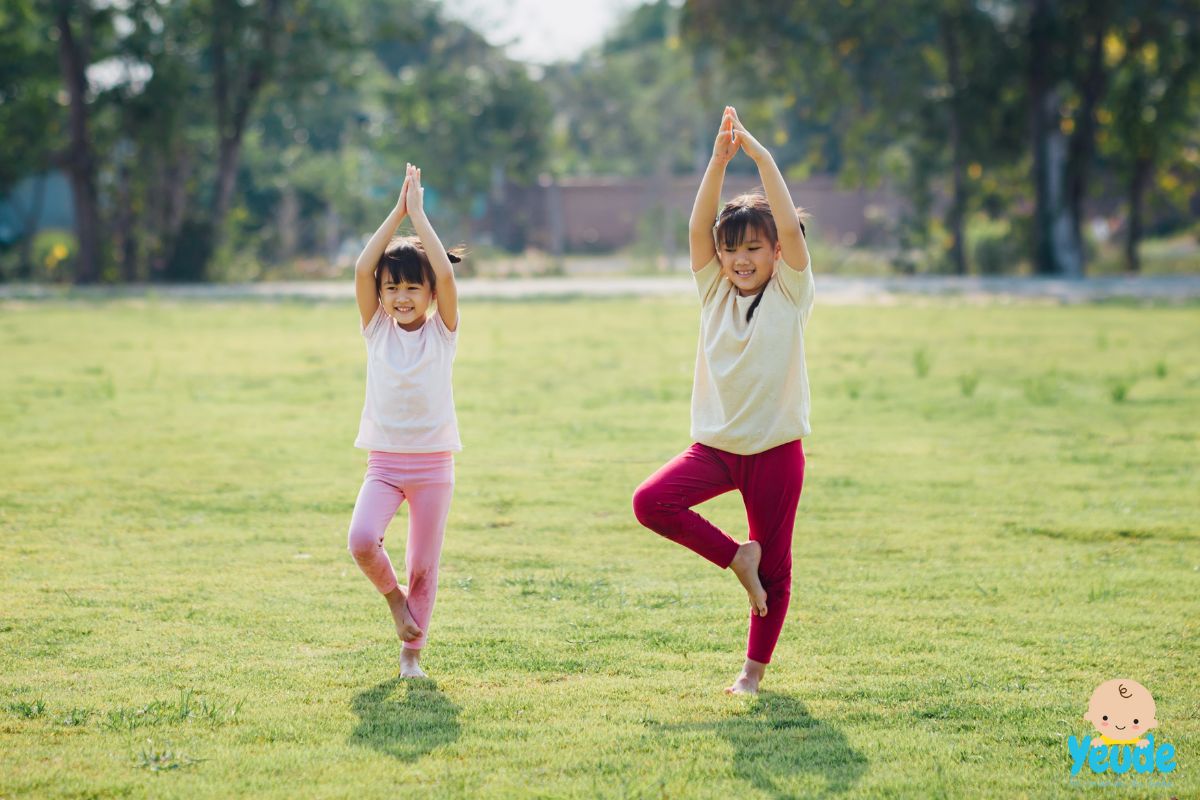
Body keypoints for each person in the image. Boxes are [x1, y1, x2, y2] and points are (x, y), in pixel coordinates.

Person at [632, 106, 814, 695]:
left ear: (776, 254)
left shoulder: (790, 292)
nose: (741, 258)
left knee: (778, 570)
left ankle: (751, 674)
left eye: (754, 249)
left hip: (775, 452)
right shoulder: (713, 291)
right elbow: (696, 230)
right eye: (731, 248)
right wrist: (717, 161)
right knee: (650, 502)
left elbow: (789, 229)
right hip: (714, 448)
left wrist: (761, 160)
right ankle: (737, 558)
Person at [346, 163, 462, 679]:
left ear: (430, 294)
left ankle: (411, 655)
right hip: (385, 463)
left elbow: (447, 273)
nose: (400, 297)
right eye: (392, 288)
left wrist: (421, 217)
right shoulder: (376, 329)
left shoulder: (442, 332)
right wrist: (397, 215)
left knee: (423, 566)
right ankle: (396, 605)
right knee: (361, 540)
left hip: (434, 466)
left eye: (412, 288)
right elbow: (360, 270)